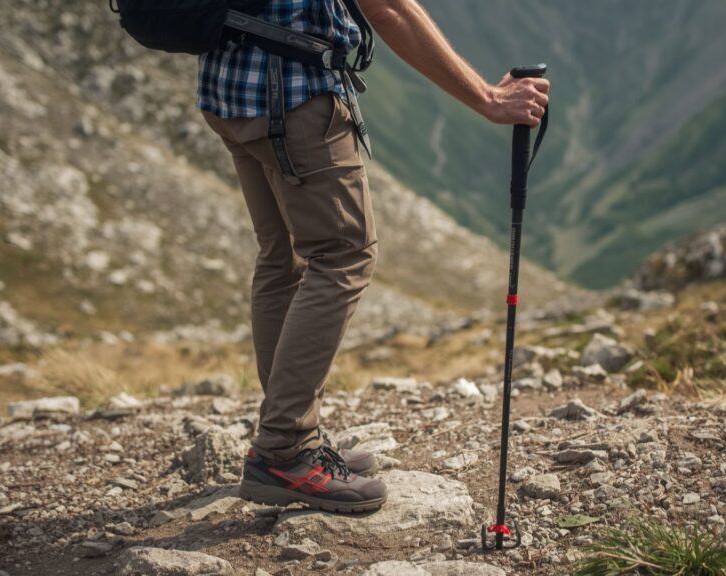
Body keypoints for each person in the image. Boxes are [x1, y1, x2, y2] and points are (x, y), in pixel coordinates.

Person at [199, 0, 550, 513]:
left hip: (228, 86)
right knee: (343, 255)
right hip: (291, 95)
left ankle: (294, 437)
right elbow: (388, 9)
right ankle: (283, 450)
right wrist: (489, 97)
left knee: (282, 258)